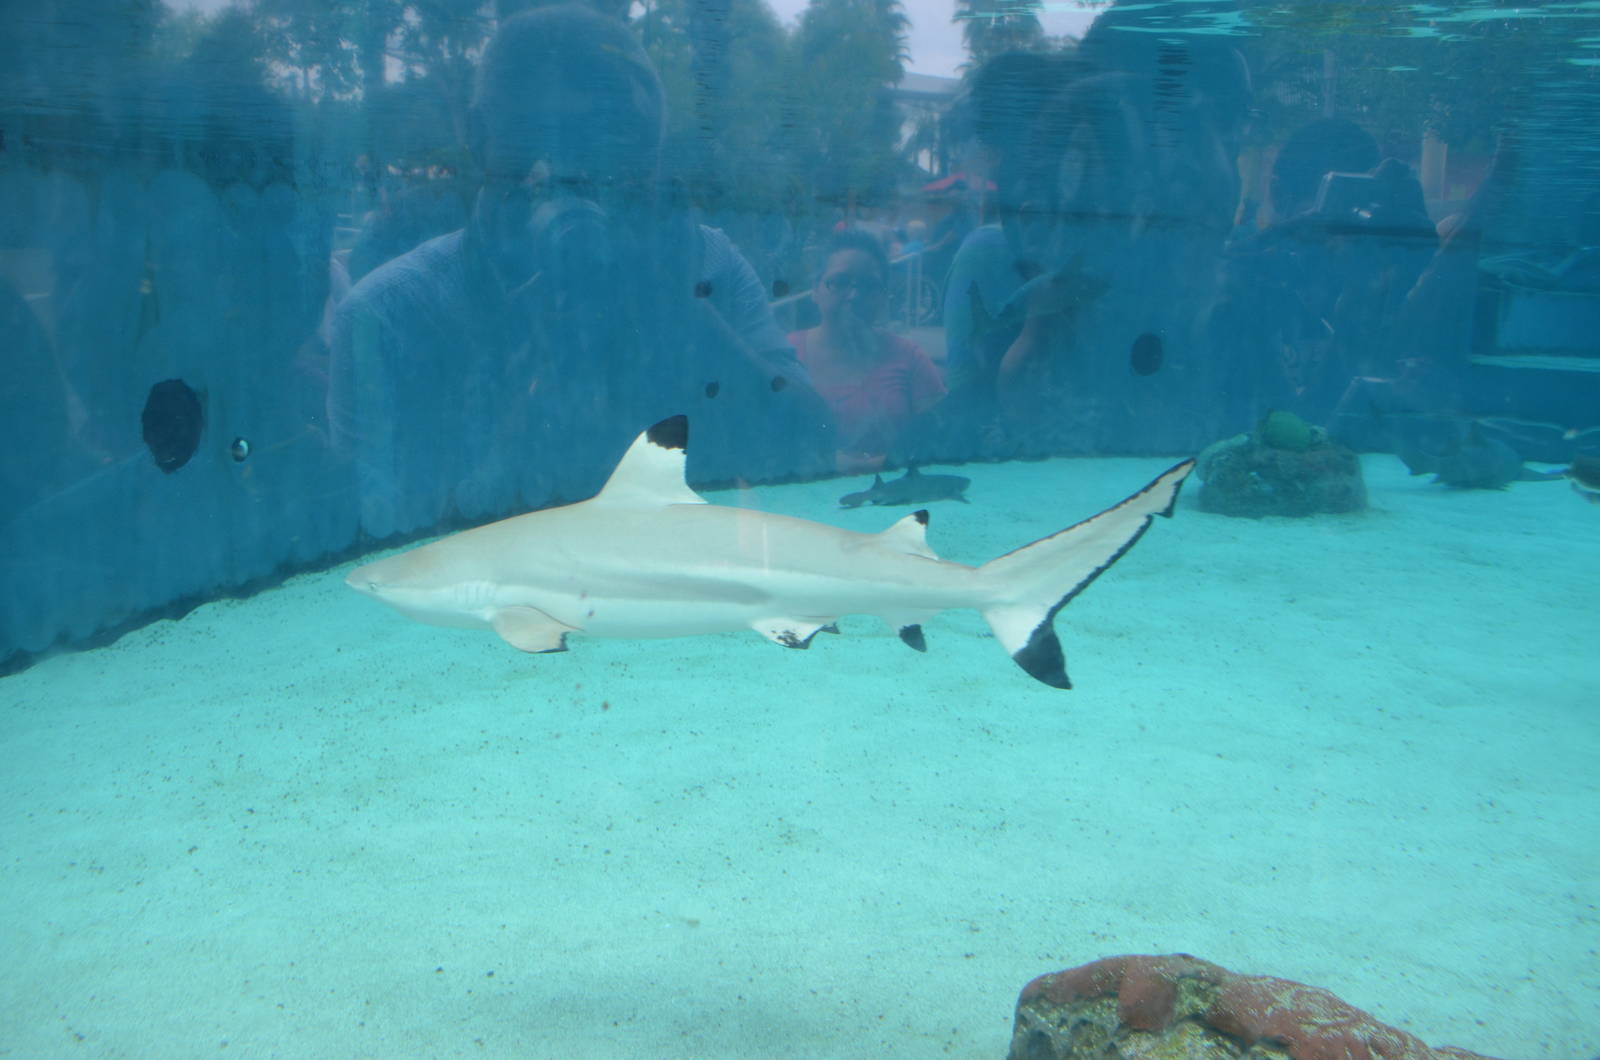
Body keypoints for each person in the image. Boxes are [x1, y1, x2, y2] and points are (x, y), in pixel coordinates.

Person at [328, 4, 832, 540]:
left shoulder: (708, 267)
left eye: (619, 140)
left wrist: (683, 311)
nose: (583, 171)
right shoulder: (389, 319)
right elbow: (385, 543)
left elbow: (813, 446)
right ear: (478, 136)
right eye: (548, 134)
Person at [788, 230, 946, 472]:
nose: (854, 295)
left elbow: (939, 438)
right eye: (840, 282)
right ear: (815, 289)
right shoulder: (785, 356)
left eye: (868, 286)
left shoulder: (910, 358)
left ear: (884, 296)